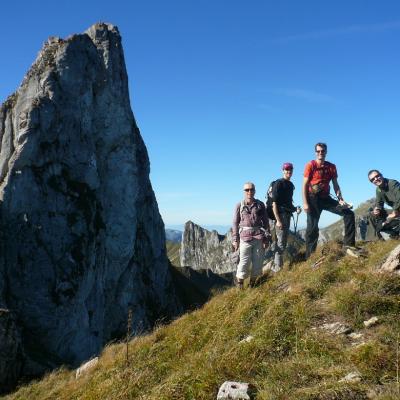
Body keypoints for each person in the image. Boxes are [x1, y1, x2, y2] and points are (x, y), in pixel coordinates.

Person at [302, 142, 355, 258]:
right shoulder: (310, 165)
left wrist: (341, 200)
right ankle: (309, 256)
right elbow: (304, 185)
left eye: (323, 151)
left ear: (326, 152)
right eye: (318, 151)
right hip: (313, 199)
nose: (320, 153)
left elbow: (335, 184)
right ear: (315, 152)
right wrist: (305, 203)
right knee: (312, 228)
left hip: (326, 198)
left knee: (349, 214)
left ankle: (349, 246)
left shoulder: (331, 166)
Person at [232, 182, 271, 288]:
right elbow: (235, 223)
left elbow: (266, 222)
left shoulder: (260, 205)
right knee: (243, 262)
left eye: (251, 189)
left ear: (255, 191)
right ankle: (240, 285)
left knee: (258, 262)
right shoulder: (239, 205)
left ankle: (252, 285)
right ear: (244, 191)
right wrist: (235, 239)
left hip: (258, 237)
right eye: (247, 190)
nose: (249, 192)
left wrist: (266, 238)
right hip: (244, 238)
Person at [270, 162, 301, 271]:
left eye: (290, 170)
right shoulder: (278, 184)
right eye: (286, 170)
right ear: (283, 171)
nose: (289, 171)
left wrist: (295, 208)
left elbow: (288, 203)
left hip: (287, 215)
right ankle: (277, 269)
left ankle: (277, 267)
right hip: (280, 217)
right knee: (281, 243)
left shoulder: (290, 185)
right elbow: (274, 203)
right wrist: (278, 220)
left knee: (283, 242)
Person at [367, 170, 400, 239]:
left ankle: (394, 232)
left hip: (397, 210)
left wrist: (394, 212)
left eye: (377, 176)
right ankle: (376, 238)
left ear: (381, 175)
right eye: (373, 179)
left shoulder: (393, 183)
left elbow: (399, 198)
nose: (376, 179)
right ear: (372, 182)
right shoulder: (378, 190)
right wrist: (377, 209)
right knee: (371, 214)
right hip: (396, 212)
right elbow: (379, 204)